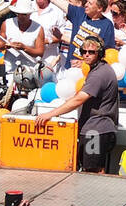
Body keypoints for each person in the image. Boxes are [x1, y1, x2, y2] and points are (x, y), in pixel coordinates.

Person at [34, 36, 120, 173]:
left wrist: (50, 114)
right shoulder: (99, 69)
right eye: (84, 51)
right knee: (90, 169)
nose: (86, 54)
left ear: (100, 53)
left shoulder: (99, 74)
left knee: (93, 171)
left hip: (96, 130)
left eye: (91, 52)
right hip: (95, 129)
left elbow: (79, 99)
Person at [32, 0, 116, 65]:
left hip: (89, 72)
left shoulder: (107, 25)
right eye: (87, 2)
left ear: (99, 8)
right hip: (70, 68)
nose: (86, 5)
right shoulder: (79, 13)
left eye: (90, 3)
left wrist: (85, 63)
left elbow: (107, 53)